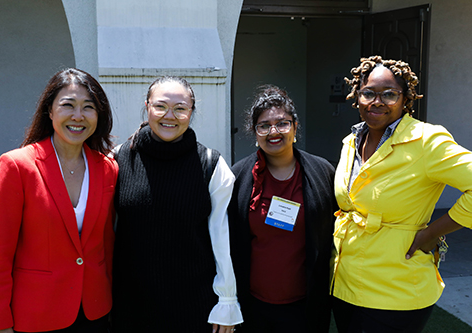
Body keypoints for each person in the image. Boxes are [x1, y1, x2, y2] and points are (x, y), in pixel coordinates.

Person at [331, 55, 472, 333]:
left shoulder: (426, 141)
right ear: (356, 96)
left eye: (389, 94)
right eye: (368, 93)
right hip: (345, 282)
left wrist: (431, 233)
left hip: (397, 286)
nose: (377, 101)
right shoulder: (351, 141)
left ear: (406, 98)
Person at [0, 68, 118, 333]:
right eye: (68, 105)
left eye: (88, 107)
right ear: (50, 111)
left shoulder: (107, 168)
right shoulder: (17, 166)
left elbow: (106, 244)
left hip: (95, 312)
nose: (78, 116)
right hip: (36, 315)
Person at [111, 76, 243, 332]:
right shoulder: (117, 160)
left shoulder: (211, 165)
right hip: (131, 306)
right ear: (147, 106)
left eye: (180, 108)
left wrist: (226, 301)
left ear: (191, 112)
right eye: (160, 106)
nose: (169, 116)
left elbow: (222, 238)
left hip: (195, 307)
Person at [228, 85, 337, 332]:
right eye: (264, 126)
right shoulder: (237, 178)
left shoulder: (322, 173)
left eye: (282, 123)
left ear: (295, 127)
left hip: (306, 306)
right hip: (252, 306)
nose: (273, 132)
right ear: (255, 133)